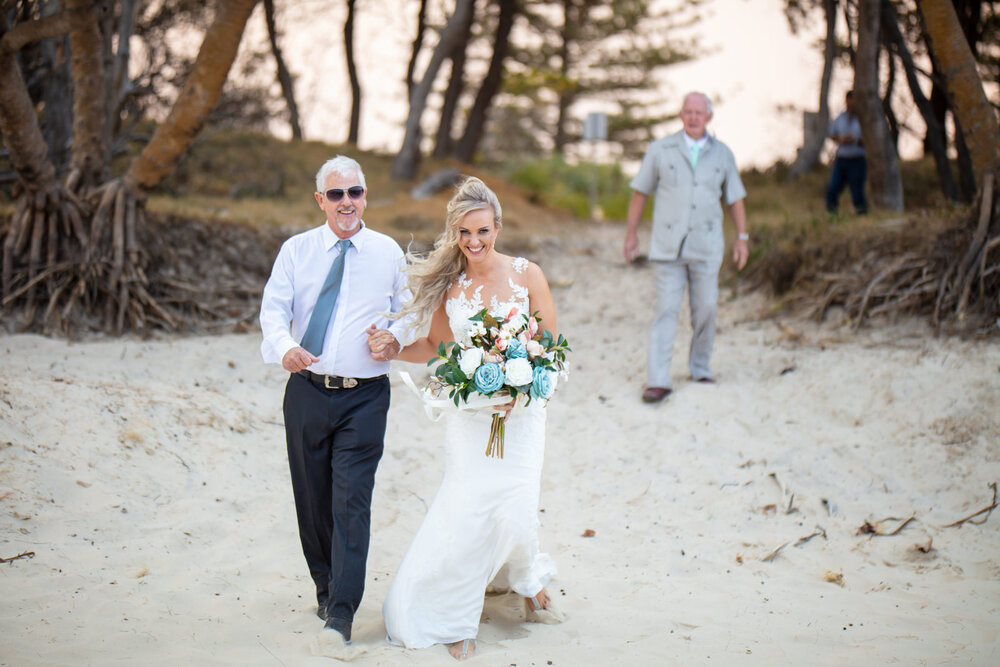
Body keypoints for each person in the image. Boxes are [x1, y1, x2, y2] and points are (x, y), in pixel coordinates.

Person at [371, 176, 563, 661]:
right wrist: (395, 348)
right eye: (464, 234)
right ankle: (454, 616)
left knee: (516, 505)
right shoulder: (452, 288)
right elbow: (436, 347)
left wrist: (520, 392)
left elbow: (551, 351)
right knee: (468, 506)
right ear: (454, 235)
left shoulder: (527, 274)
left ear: (497, 226)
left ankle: (526, 580)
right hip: (470, 418)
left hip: (520, 416)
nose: (474, 242)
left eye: (482, 231)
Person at [259, 155, 413, 659]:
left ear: (365, 197)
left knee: (351, 500)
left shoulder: (386, 251)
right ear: (320, 200)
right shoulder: (296, 251)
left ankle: (342, 611)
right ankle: (325, 585)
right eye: (336, 194)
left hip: (365, 396)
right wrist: (284, 348)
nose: (346, 202)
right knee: (312, 497)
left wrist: (395, 337)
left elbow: (410, 310)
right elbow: (274, 310)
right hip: (305, 389)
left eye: (355, 192)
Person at [623, 91, 749, 404]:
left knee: (706, 308)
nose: (694, 117)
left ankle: (700, 367)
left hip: (707, 246)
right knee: (666, 310)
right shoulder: (660, 150)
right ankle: (658, 380)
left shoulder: (723, 154)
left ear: (708, 117)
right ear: (681, 115)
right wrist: (631, 234)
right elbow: (640, 192)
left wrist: (742, 237)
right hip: (667, 247)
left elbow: (734, 198)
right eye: (688, 111)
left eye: (699, 112)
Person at [825, 90, 867, 215]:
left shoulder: (863, 119)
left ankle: (862, 216)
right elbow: (832, 134)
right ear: (847, 101)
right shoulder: (840, 118)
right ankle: (832, 214)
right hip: (842, 160)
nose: (852, 103)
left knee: (857, 191)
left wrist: (856, 140)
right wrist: (841, 139)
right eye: (850, 100)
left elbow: (870, 139)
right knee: (833, 188)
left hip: (857, 160)